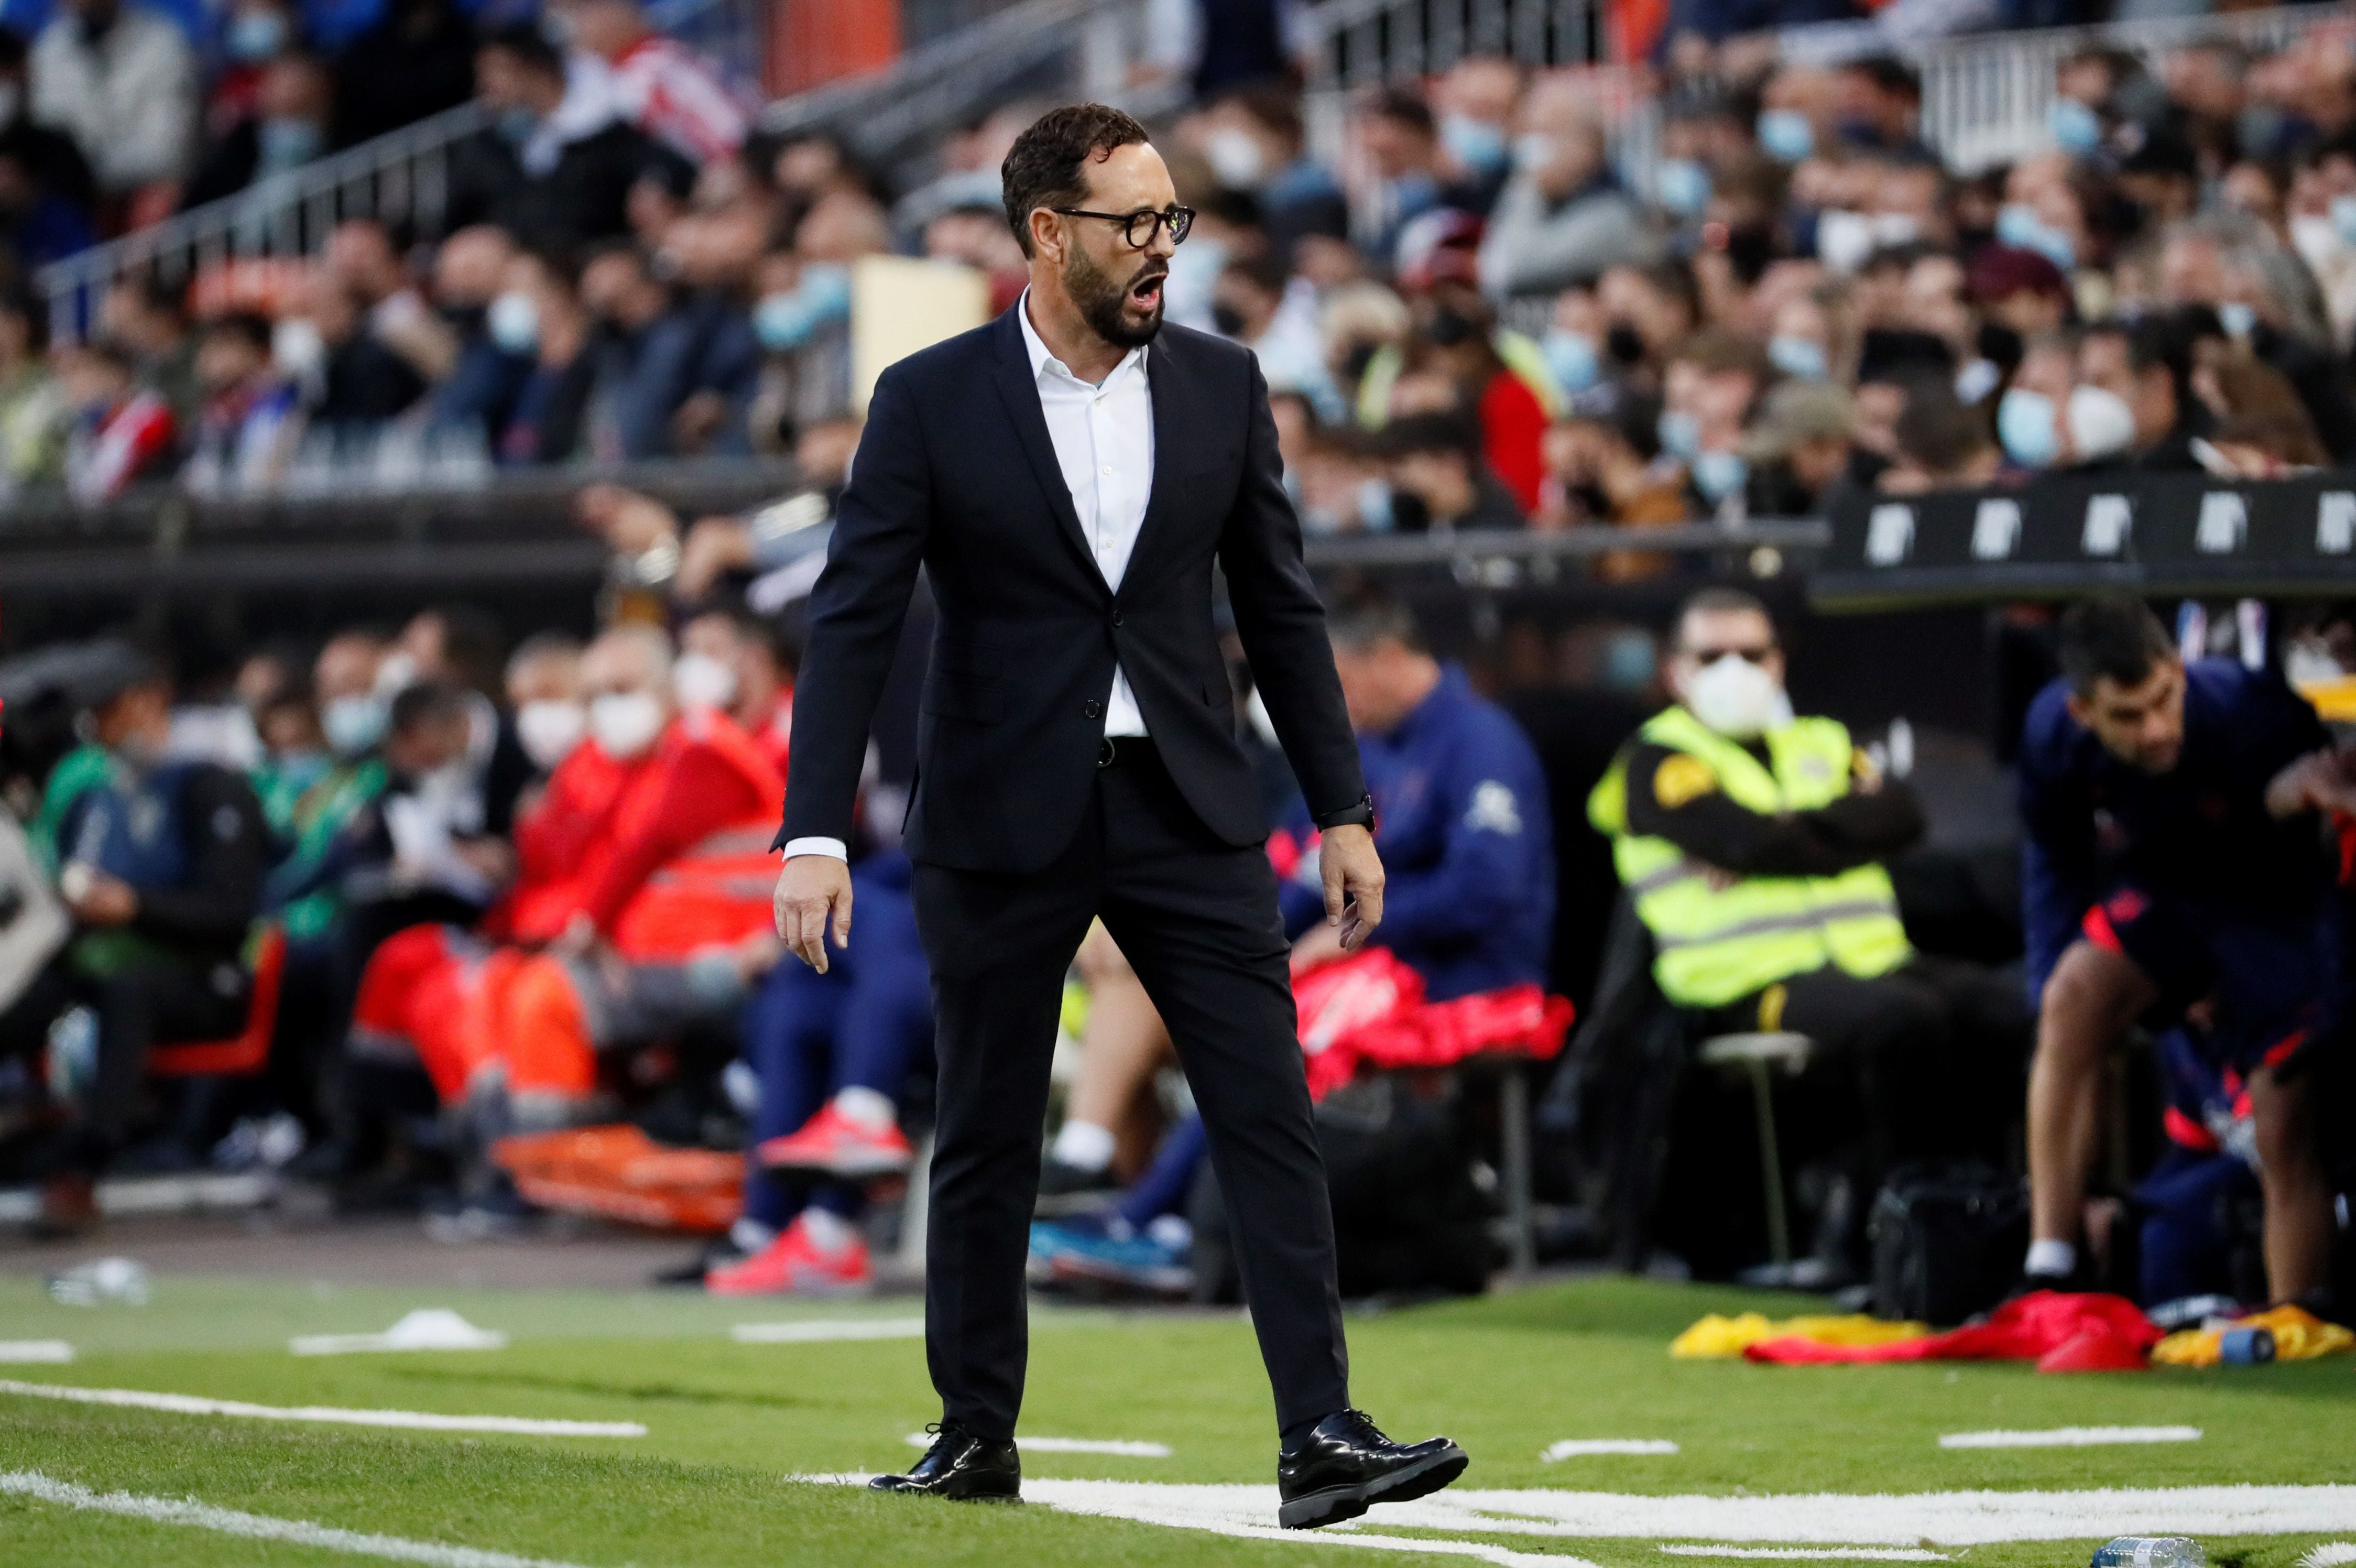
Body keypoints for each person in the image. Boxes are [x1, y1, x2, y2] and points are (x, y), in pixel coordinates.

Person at [770, 103, 1465, 1527]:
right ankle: (976, 1436)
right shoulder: (928, 394)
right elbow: (851, 620)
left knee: (1269, 1109)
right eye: (1134, 225)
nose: (1163, 253)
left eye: (1174, 224)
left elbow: (1281, 606)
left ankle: (1320, 1435)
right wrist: (815, 830)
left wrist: (1341, 806)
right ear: (1046, 233)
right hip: (997, 810)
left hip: (1188, 803)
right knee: (985, 1132)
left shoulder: (1222, 382)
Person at [1588, 589, 2027, 1206]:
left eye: (1750, 653)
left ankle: (2001, 1204)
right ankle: (1897, 1221)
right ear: (1675, 670)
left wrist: (1782, 834)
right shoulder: (1656, 758)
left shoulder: (1818, 740)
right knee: (1900, 1023)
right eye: (1712, 656)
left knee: (2002, 1008)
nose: (1734, 670)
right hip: (1744, 984)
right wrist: (1834, 832)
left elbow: (1900, 817)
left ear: (1778, 663)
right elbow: (1744, 840)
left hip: (1870, 960)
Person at [2016, 596, 2340, 1306]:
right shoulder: (2051, 738)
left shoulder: (2252, 709)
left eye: (2166, 699)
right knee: (2069, 1000)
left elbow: (2320, 864)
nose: (2157, 727)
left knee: (2285, 1119)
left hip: (2273, 909)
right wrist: (2046, 988)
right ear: (2084, 714)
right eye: (2129, 716)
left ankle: (2301, 1325)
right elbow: (2054, 870)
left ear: (2180, 670)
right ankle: (2052, 1267)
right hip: (2172, 895)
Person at [0, 646, 267, 1231]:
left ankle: (81, 1168)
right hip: (108, 960)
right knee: (34, 988)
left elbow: (230, 910)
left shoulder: (211, 784)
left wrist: (136, 907)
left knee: (129, 988)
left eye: (108, 710)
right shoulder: (101, 793)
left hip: (202, 978)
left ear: (149, 701)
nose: (97, 728)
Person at [28, 0, 194, 202]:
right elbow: (51, 138)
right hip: (79, 200)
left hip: (145, 191)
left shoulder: (163, 42)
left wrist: (99, 176)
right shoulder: (49, 51)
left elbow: (166, 152)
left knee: (162, 196)